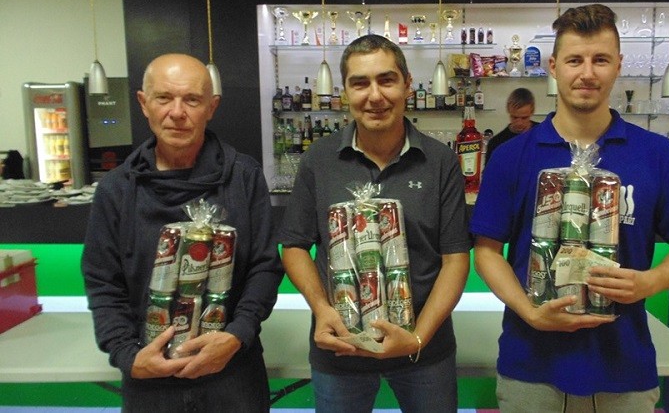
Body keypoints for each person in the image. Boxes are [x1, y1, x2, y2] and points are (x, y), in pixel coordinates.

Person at [470, 4, 669, 412]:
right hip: (530, 367)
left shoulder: (657, 154)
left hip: (625, 370)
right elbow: (486, 252)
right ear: (553, 67)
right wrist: (529, 311)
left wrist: (649, 282)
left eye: (600, 60)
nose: (587, 73)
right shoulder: (511, 156)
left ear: (618, 65)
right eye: (574, 60)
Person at [279, 34, 471, 413]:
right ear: (344, 91)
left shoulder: (440, 161)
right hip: (341, 347)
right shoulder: (318, 159)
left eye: (386, 80)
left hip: (425, 351)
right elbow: (295, 246)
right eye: (360, 83)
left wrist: (417, 338)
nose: (375, 96)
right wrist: (322, 309)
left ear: (407, 85)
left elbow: (455, 259)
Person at [81, 53, 284, 412]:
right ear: (144, 103)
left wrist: (237, 335)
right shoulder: (116, 189)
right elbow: (103, 281)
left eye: (191, 99)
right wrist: (128, 356)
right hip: (149, 379)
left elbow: (265, 267)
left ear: (211, 107)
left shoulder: (244, 177)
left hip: (233, 373)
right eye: (164, 98)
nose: (177, 112)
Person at [484, 87, 537, 164]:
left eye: (524, 118)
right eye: (514, 117)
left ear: (532, 111)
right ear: (508, 110)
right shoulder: (496, 143)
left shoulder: (543, 135)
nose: (519, 123)